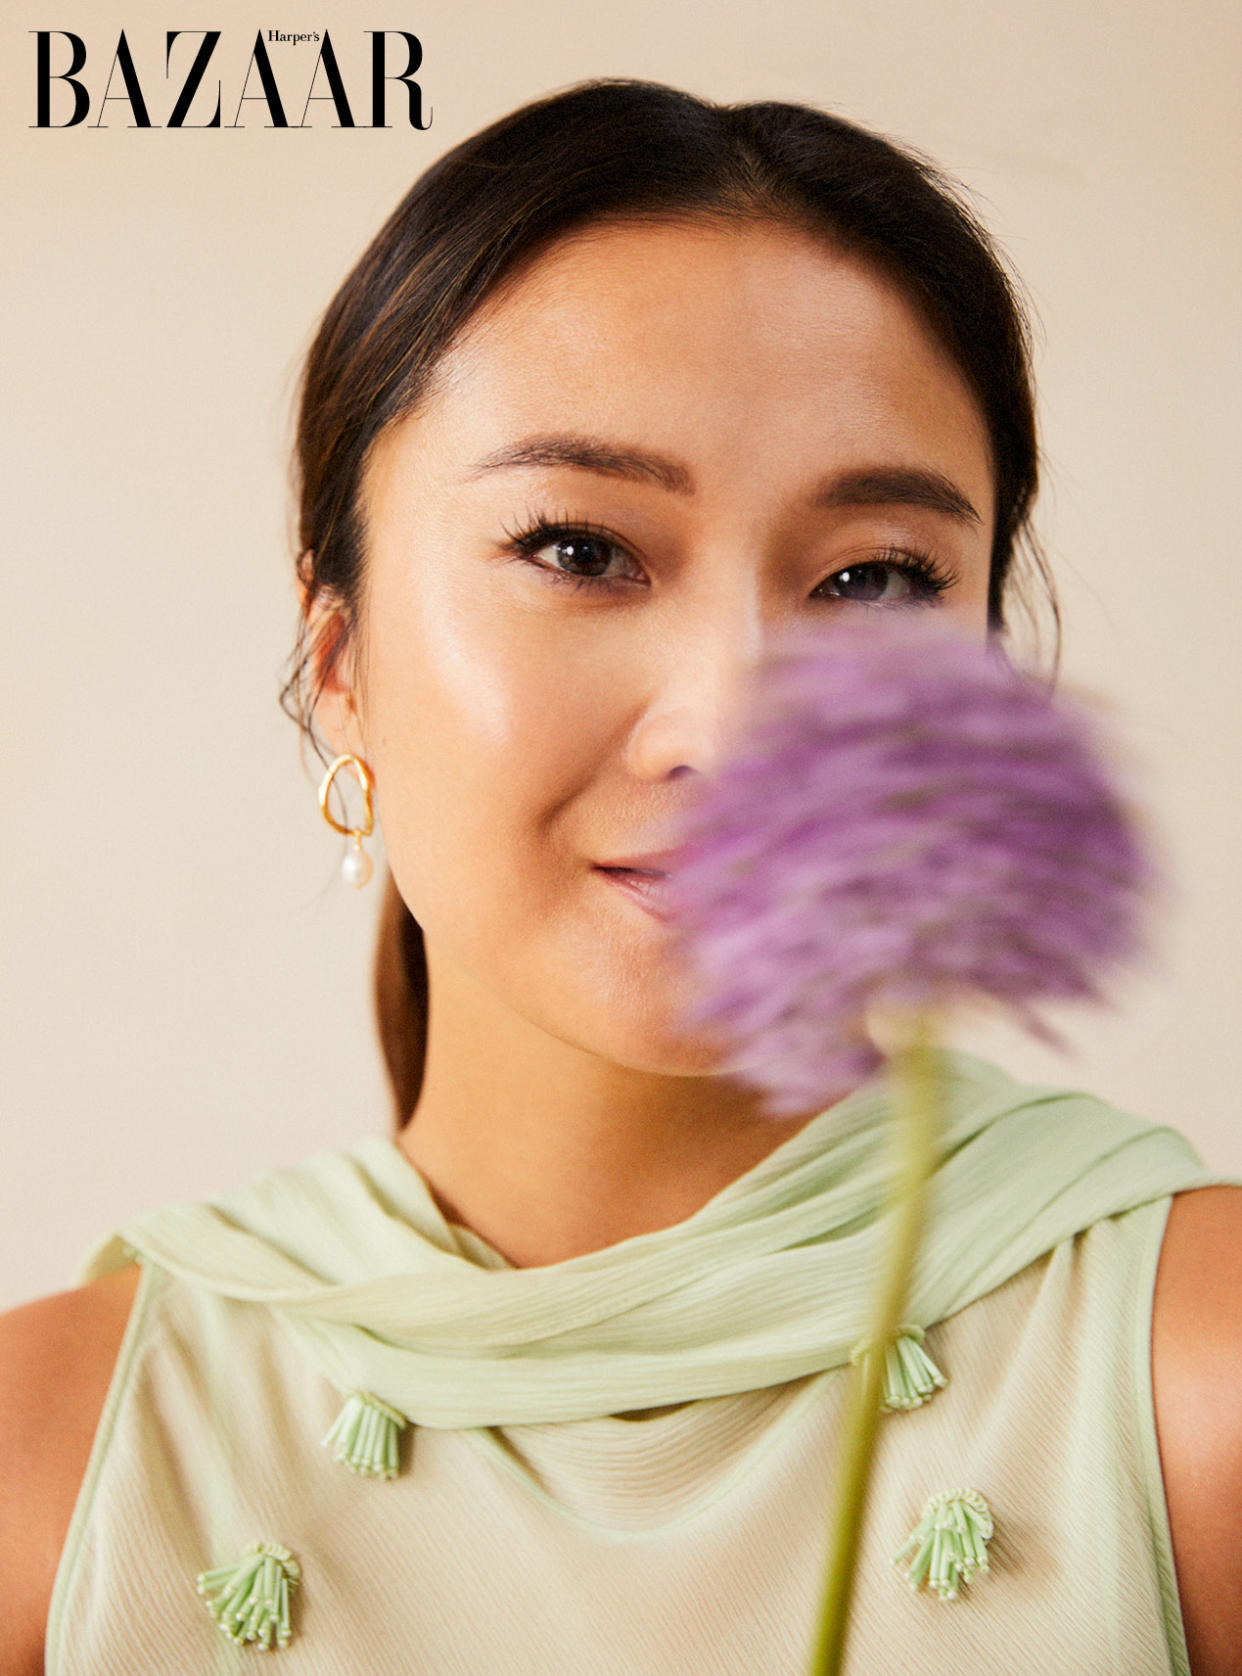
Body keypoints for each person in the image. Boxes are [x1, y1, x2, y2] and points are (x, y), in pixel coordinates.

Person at [2, 78, 1240, 1676]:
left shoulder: (1193, 1385)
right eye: (581, 550)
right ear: (339, 664)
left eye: (874, 580)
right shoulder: (55, 1482)